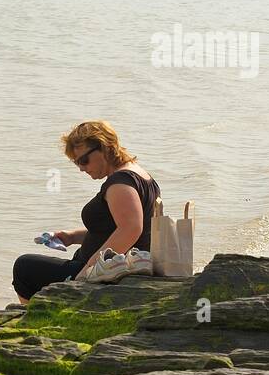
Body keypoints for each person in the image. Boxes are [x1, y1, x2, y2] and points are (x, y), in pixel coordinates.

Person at [11, 121, 161, 302]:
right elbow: (116, 228)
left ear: (104, 148)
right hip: (106, 265)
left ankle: (32, 321)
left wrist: (86, 273)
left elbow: (131, 229)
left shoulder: (120, 183)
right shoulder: (139, 175)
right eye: (76, 163)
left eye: (83, 160)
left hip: (105, 273)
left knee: (24, 267)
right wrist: (72, 236)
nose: (81, 168)